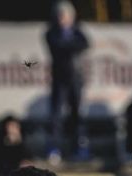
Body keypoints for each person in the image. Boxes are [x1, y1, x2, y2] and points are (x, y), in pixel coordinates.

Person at [44, 1, 90, 160]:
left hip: (75, 79)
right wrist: (70, 44)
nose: (62, 19)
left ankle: (78, 147)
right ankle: (54, 147)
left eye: (65, 15)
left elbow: (85, 44)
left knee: (77, 114)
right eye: (60, 15)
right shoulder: (51, 33)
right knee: (56, 115)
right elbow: (59, 47)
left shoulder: (77, 32)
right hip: (59, 79)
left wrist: (69, 44)